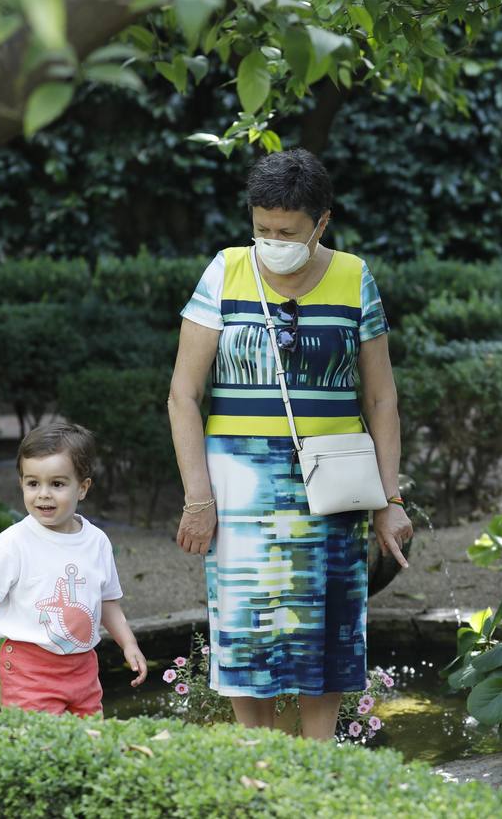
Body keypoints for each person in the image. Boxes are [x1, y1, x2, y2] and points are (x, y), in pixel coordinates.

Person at [167, 148, 413, 739]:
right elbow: (182, 394)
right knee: (247, 635)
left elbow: (381, 400)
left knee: (323, 635)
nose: (272, 240)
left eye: (288, 231)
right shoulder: (224, 271)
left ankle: (318, 769)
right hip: (239, 489)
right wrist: (198, 498)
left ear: (322, 222)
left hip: (330, 489)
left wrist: (390, 499)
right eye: (261, 228)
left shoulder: (355, 278)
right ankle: (261, 767)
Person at [0, 422, 147, 714]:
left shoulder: (97, 542)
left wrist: (129, 644)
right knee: (42, 745)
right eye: (33, 483)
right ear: (22, 483)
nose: (44, 494)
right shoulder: (14, 542)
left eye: (58, 484)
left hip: (83, 667)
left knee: (89, 744)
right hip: (29, 668)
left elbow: (107, 601)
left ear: (83, 488)